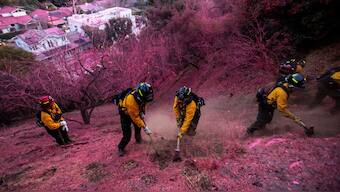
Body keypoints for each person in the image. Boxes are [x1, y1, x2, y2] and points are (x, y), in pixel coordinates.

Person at [246, 73, 314, 136]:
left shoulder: (285, 82)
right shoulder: (282, 93)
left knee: (268, 119)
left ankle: (260, 129)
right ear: (293, 86)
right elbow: (282, 109)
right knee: (261, 122)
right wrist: (294, 118)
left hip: (269, 104)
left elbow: (297, 79)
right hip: (265, 105)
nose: (297, 90)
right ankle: (249, 132)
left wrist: (307, 79)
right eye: (297, 88)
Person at [116, 82, 153, 156]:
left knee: (138, 127)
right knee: (127, 135)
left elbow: (143, 105)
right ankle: (120, 147)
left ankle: (138, 139)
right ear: (141, 94)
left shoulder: (142, 97)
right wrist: (145, 127)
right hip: (125, 115)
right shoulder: (131, 101)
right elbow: (135, 117)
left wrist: (142, 112)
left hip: (135, 111)